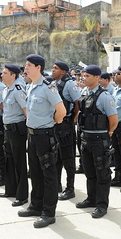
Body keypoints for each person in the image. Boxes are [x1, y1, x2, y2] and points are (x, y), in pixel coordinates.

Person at [17, 54, 66, 229]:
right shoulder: (31, 86)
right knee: (36, 173)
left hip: (45, 136)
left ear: (38, 68)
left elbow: (61, 111)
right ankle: (36, 206)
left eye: (29, 65)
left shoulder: (47, 87)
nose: (26, 68)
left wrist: (53, 121)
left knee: (48, 175)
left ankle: (48, 212)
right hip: (33, 135)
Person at [75, 65, 118, 218]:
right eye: (83, 76)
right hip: (85, 139)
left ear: (97, 77)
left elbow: (113, 119)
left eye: (87, 76)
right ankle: (91, 199)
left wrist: (108, 133)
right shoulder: (85, 93)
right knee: (89, 172)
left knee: (102, 173)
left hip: (99, 140)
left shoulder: (104, 96)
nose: (84, 78)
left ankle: (101, 204)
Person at [0, 63, 29, 206]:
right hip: (8, 128)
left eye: (5, 73)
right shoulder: (6, 89)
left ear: (13, 75)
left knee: (19, 163)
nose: (2, 75)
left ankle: (22, 195)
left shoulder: (18, 89)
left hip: (17, 130)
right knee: (9, 160)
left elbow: (26, 111)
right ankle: (10, 189)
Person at [51, 61, 81, 200]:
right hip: (55, 124)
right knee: (56, 157)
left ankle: (70, 188)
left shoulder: (69, 84)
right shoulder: (54, 84)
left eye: (56, 68)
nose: (53, 70)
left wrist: (73, 119)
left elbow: (77, 103)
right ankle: (57, 185)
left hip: (66, 125)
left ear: (63, 71)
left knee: (68, 158)